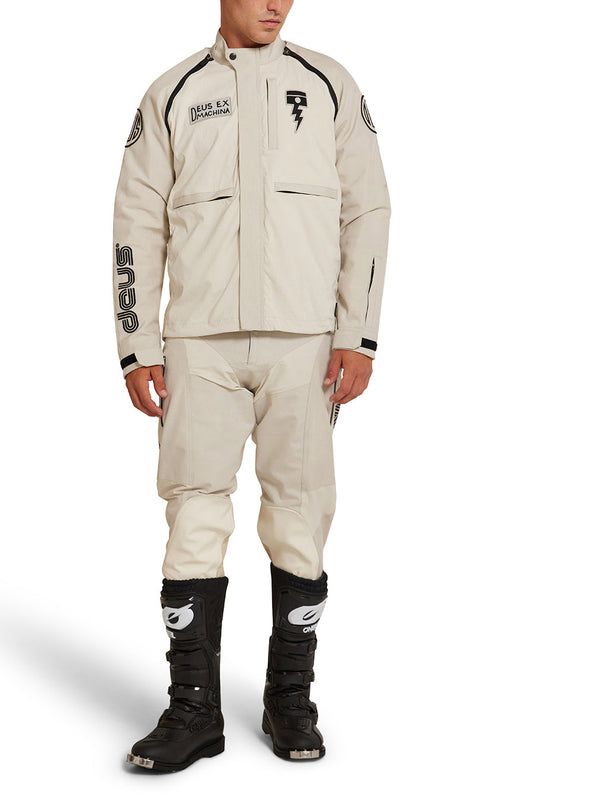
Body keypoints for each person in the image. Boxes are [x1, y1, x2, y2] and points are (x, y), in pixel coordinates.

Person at [113, 0, 390, 771]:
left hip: (306, 346)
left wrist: (357, 332)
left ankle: (289, 699)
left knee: (300, 511)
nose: (276, 4)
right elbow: (136, 221)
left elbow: (368, 210)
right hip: (197, 345)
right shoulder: (172, 92)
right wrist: (137, 345)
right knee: (193, 509)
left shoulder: (329, 85)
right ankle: (193, 709)